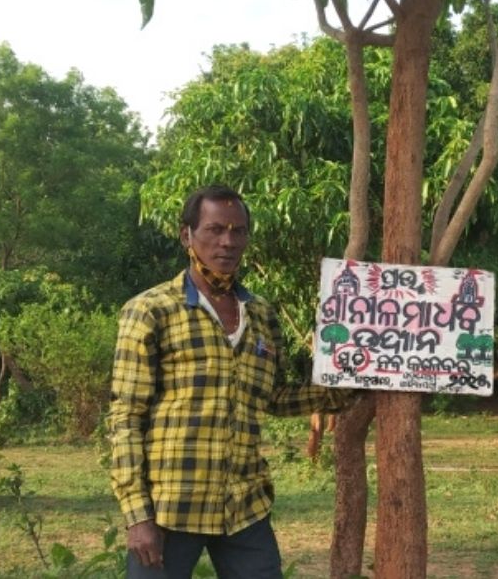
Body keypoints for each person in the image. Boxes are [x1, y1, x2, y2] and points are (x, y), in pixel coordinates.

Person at [109, 185, 350, 578]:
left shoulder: (260, 314)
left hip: (244, 506)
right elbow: (126, 418)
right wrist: (138, 517)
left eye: (238, 231)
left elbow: (271, 397)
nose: (228, 241)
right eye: (215, 229)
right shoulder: (151, 311)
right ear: (187, 235)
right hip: (171, 507)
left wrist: (343, 392)